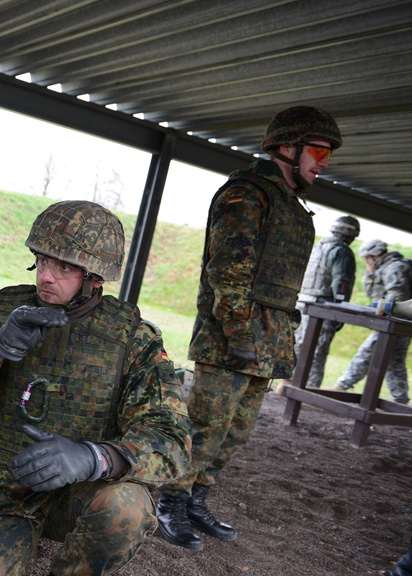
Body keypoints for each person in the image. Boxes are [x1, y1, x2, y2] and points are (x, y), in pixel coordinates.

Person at [0, 200, 191, 576]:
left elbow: (173, 440)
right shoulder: (3, 312)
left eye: (63, 267)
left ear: (95, 277)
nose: (45, 276)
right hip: (1, 492)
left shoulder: (131, 338)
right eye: (41, 260)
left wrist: (95, 457)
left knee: (127, 506)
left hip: (74, 495)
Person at [155, 106, 343, 551]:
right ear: (286, 147)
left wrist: (265, 344)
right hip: (233, 341)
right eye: (318, 150)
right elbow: (229, 273)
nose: (324, 161)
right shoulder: (246, 194)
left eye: (328, 152)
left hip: (267, 341)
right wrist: (240, 336)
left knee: (236, 430)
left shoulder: (290, 205)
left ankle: (198, 497)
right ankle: (171, 500)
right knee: (205, 425)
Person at [328, 239, 412, 404]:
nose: (366, 261)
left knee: (366, 353)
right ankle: (400, 401)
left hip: (396, 323)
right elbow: (374, 293)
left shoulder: (394, 267)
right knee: (394, 362)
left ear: (376, 255)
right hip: (398, 324)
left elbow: (397, 298)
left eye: (368, 258)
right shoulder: (387, 267)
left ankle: (342, 387)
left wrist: (382, 306)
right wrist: (371, 273)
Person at [288, 215, 360, 388]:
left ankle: (288, 385)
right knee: (316, 351)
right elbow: (341, 282)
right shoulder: (342, 251)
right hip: (322, 309)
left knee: (298, 347)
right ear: (351, 236)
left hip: (302, 304)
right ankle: (308, 391)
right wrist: (340, 311)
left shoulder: (318, 246)